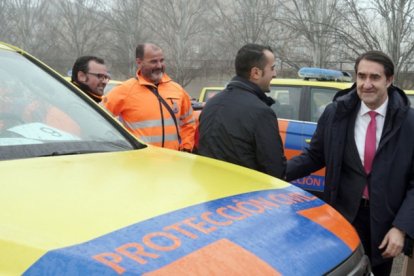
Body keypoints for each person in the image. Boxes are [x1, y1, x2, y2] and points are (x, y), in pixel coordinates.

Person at [286, 50, 414, 275]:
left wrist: (401, 228)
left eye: (375, 77)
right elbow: (315, 156)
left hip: (384, 223)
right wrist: (272, 173)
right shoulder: (336, 113)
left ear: (390, 80)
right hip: (343, 216)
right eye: (361, 76)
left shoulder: (409, 122)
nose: (366, 84)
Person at [197, 43, 286, 179]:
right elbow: (275, 170)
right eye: (272, 68)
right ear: (256, 73)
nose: (275, 74)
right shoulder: (261, 112)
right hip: (244, 195)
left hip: (210, 191)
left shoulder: (211, 104)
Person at [103, 43, 195, 151]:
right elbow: (96, 119)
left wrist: (186, 148)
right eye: (153, 61)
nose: (159, 66)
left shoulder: (177, 90)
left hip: (172, 162)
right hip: (141, 163)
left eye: (162, 60)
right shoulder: (124, 90)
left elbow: (189, 123)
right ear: (139, 62)